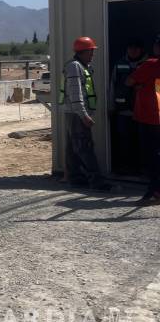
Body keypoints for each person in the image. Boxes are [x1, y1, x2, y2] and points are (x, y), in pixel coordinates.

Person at [60, 36, 110, 190]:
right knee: (84, 146)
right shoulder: (75, 67)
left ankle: (76, 178)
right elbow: (76, 94)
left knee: (73, 147)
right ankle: (96, 181)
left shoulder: (81, 66)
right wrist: (84, 115)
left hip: (74, 113)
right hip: (77, 114)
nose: (92, 54)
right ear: (82, 51)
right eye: (91, 51)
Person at [126, 35, 160, 206]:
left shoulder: (150, 64)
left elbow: (129, 81)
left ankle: (155, 192)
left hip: (150, 117)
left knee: (152, 156)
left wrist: (140, 85)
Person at [109, 38, 147, 172]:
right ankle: (126, 167)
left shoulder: (149, 65)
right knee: (124, 142)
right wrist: (111, 107)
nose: (133, 50)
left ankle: (142, 168)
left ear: (141, 49)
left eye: (136, 48)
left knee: (143, 143)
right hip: (123, 112)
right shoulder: (119, 64)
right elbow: (112, 86)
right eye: (130, 47)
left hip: (144, 113)